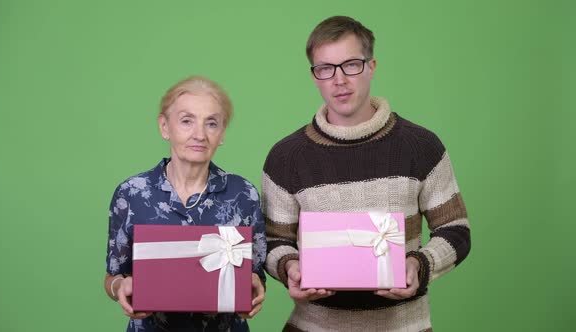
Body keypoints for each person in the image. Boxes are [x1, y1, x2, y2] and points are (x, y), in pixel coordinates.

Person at [262, 16, 470, 332]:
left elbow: (456, 229)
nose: (339, 79)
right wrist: (289, 267)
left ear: (371, 66)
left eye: (351, 65)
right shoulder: (286, 157)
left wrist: (418, 265)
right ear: (315, 76)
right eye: (325, 68)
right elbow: (274, 240)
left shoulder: (421, 146)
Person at [104, 76, 266, 332]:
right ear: (165, 126)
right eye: (186, 121)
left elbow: (254, 274)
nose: (199, 134)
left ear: (222, 133)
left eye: (211, 123)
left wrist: (255, 288)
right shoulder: (131, 193)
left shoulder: (243, 194)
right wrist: (119, 287)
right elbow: (114, 275)